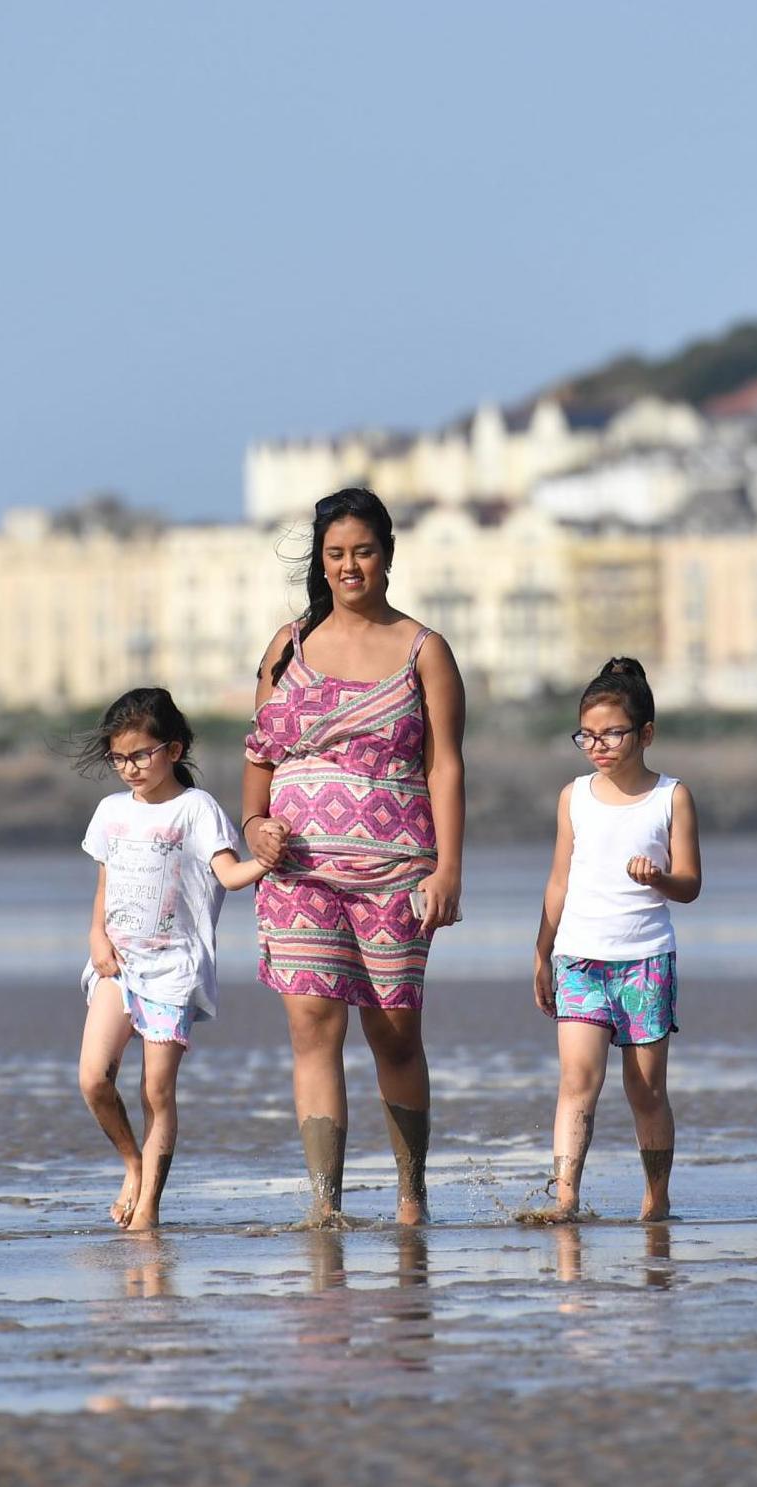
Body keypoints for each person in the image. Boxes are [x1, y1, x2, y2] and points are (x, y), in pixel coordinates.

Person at [242, 488, 465, 1227]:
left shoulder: (423, 649)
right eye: (335, 553)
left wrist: (448, 868)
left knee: (393, 1029)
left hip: (397, 867)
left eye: (362, 551)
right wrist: (252, 822)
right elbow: (260, 752)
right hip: (298, 869)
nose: (348, 566)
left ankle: (410, 1195)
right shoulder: (287, 645)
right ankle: (325, 1204)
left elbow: (445, 767)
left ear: (387, 556)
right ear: (321, 561)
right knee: (312, 1020)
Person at [75, 687, 267, 1231]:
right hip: (116, 964)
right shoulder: (111, 812)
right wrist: (96, 937)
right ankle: (132, 1164)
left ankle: (149, 1211)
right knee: (93, 1079)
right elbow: (104, 886)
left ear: (174, 750)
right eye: (119, 758)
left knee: (156, 1090)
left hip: (172, 972)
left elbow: (229, 874)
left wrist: (269, 863)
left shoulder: (197, 809)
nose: (129, 767)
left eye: (140, 754)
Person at [526, 658, 701, 1223]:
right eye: (587, 736)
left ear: (645, 734)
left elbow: (691, 884)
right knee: (578, 1080)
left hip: (646, 959)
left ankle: (656, 1198)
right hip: (578, 955)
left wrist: (659, 878)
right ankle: (566, 1198)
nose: (598, 746)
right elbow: (559, 879)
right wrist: (542, 951)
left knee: (645, 1090)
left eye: (611, 734)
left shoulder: (671, 797)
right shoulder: (573, 796)